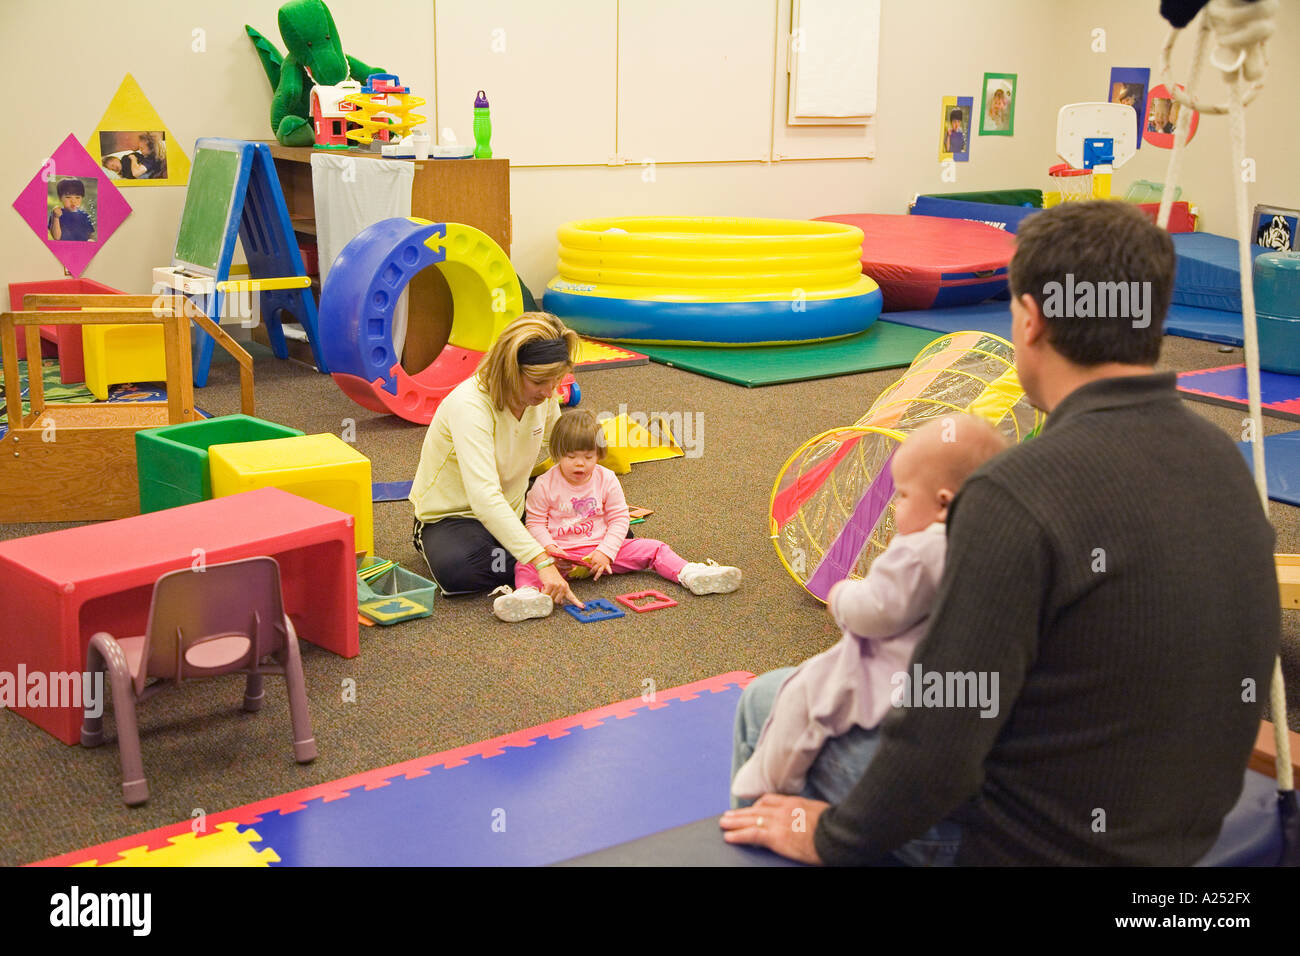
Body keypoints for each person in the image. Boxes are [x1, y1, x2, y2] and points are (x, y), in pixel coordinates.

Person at [720, 200, 1280, 865]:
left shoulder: (1016, 492)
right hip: (1184, 821)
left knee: (766, 700)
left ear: (1028, 320)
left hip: (1040, 845)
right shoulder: (1224, 460)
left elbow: (942, 737)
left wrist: (831, 837)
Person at [730, 416, 1006, 806]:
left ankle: (765, 788)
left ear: (943, 503)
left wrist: (843, 594)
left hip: (892, 681)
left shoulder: (920, 550)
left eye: (904, 496)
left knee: (802, 697)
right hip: (956, 687)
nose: (893, 506)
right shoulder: (996, 542)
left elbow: (877, 611)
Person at [493, 409, 742, 622]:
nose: (580, 464)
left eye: (588, 457)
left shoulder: (606, 478)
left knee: (654, 548)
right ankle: (529, 597)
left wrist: (606, 551)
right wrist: (550, 553)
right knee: (525, 563)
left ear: (599, 454)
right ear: (557, 455)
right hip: (561, 556)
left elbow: (620, 519)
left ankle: (690, 574)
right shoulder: (544, 484)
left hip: (603, 552)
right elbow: (534, 523)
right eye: (571, 457)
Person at [410, 312, 583, 607]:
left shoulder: (544, 395)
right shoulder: (470, 405)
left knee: (612, 528)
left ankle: (527, 556)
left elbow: (560, 446)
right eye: (539, 381)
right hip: (456, 517)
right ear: (509, 369)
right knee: (459, 571)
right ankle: (539, 558)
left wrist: (593, 488)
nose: (549, 392)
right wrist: (541, 561)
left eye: (555, 381)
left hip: (515, 507)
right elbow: (485, 498)